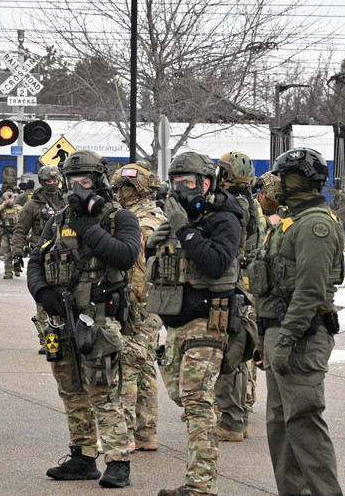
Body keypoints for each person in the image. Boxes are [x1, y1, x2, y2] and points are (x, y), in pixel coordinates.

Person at [27, 150, 139, 488]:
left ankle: (118, 460)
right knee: (71, 390)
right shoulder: (57, 218)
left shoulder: (118, 217)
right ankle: (82, 456)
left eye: (85, 181)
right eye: (73, 181)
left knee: (102, 390)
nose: (78, 187)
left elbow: (125, 254)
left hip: (99, 319)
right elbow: (37, 258)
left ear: (100, 181)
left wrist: (88, 226)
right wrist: (42, 293)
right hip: (62, 319)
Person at [147, 152, 243, 496]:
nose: (180, 189)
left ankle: (200, 486)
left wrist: (183, 229)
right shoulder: (179, 217)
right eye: (175, 183)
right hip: (175, 323)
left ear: (206, 183)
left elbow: (216, 263)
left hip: (207, 322)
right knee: (184, 398)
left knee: (198, 403)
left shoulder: (225, 218)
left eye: (188, 183)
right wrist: (154, 243)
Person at [251, 148, 342, 496]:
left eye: (279, 175)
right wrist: (266, 340)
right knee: (281, 425)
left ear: (295, 180)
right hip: (282, 332)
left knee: (303, 423)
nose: (272, 182)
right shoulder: (290, 221)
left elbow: (310, 291)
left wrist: (286, 340)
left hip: (302, 336)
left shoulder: (315, 225)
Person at [112, 163, 166, 452]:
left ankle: (126, 434)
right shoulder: (156, 215)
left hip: (138, 302)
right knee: (145, 365)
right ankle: (146, 433)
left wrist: (130, 302)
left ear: (138, 189)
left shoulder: (139, 221)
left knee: (128, 363)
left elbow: (139, 270)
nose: (119, 193)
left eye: (124, 187)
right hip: (154, 303)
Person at [213, 151, 265, 442]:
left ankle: (232, 419)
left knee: (229, 354)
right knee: (241, 352)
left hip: (235, 284)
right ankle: (239, 414)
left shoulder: (233, 205)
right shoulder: (251, 204)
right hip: (248, 284)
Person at [14, 165, 67, 351]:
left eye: (55, 181)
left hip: (66, 255)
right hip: (42, 255)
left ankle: (67, 334)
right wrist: (17, 253)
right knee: (43, 298)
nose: (52, 184)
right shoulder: (32, 205)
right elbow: (20, 230)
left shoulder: (67, 201)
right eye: (48, 182)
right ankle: (47, 340)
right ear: (42, 182)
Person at [0, 190, 22, 278]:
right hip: (5, 233)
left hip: (16, 233)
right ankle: (8, 272)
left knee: (16, 251)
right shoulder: (1, 209)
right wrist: (2, 206)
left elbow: (25, 220)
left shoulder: (18, 208)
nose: (9, 201)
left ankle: (16, 268)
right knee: (6, 252)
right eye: (7, 199)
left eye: (10, 199)